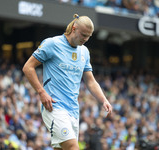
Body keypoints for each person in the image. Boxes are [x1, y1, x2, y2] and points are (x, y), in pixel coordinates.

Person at [22, 14, 112, 150]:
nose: (85, 39)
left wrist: (103, 99)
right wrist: (41, 92)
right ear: (74, 29)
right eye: (83, 35)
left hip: (73, 111)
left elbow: (91, 81)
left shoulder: (84, 52)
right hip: (54, 107)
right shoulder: (52, 44)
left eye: (88, 36)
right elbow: (28, 67)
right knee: (72, 147)